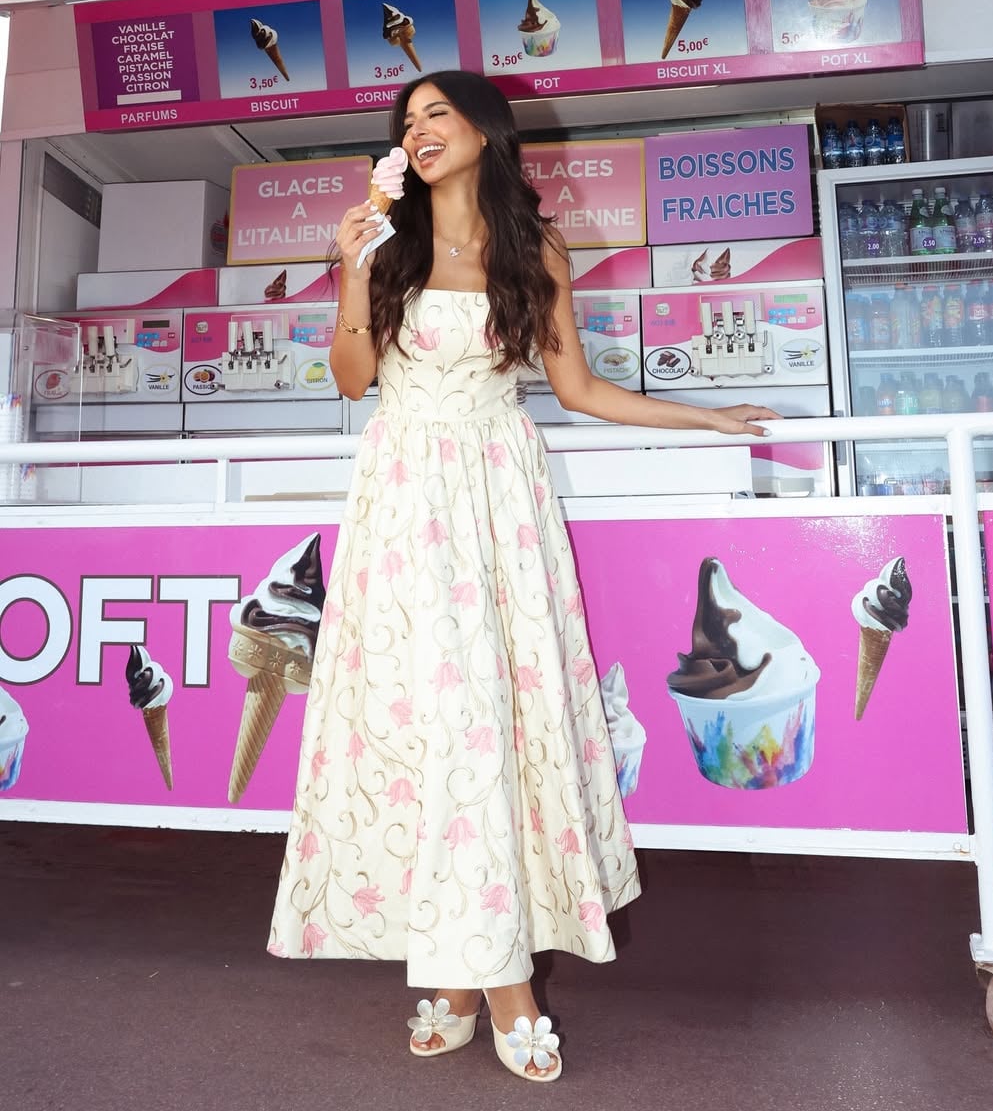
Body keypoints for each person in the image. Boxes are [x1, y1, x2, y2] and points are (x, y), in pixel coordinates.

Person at [269, 71, 778, 1082]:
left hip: (501, 502)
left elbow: (577, 387)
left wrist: (708, 417)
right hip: (405, 504)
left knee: (493, 727)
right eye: (407, 121)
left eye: (437, 114)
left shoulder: (537, 248)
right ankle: (493, 982)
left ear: (484, 131)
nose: (418, 131)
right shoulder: (384, 241)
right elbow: (354, 380)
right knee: (432, 731)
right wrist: (353, 268)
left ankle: (473, 978)